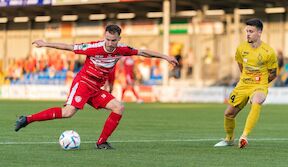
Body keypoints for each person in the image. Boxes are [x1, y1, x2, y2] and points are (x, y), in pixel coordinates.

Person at [14, 24, 178, 149]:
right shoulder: (94, 47)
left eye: (113, 40)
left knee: (119, 107)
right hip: (83, 83)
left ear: (119, 39)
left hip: (96, 89)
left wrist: (166, 56)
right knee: (68, 112)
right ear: (104, 36)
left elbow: (143, 52)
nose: (110, 43)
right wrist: (46, 44)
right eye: (107, 39)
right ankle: (27, 119)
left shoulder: (122, 50)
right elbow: (69, 47)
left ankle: (102, 143)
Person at [214, 18, 278, 148]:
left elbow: (273, 73)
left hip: (259, 85)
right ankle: (229, 139)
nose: (248, 34)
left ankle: (244, 136)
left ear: (259, 32)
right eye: (247, 31)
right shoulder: (241, 48)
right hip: (243, 85)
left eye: (251, 31)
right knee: (228, 114)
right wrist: (245, 79)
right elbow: (241, 65)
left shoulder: (268, 51)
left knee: (257, 100)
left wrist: (262, 84)